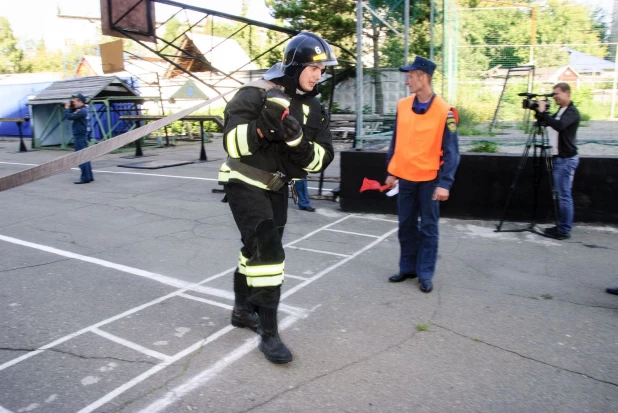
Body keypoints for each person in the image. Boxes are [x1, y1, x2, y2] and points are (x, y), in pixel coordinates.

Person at [222, 32, 336, 364]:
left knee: (253, 252)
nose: (319, 75)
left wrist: (298, 141)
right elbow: (233, 145)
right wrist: (261, 127)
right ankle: (268, 334)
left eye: (323, 69)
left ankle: (242, 311)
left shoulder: (315, 109)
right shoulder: (255, 93)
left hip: (278, 187)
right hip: (244, 181)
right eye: (314, 67)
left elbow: (321, 160)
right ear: (296, 64)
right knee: (269, 253)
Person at [384, 56, 460, 294]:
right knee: (405, 225)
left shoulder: (445, 111)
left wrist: (445, 183)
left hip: (430, 180)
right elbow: (396, 140)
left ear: (423, 78)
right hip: (406, 177)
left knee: (428, 228)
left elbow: (452, 152)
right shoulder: (403, 105)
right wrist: (391, 171)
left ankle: (425, 273)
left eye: (410, 76)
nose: (407, 81)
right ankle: (408, 268)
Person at [537, 83, 580, 240]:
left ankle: (564, 230)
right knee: (561, 194)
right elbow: (549, 123)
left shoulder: (572, 112)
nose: (554, 97)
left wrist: (544, 112)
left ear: (567, 93)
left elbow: (560, 126)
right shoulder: (561, 111)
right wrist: (541, 114)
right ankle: (561, 226)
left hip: (566, 160)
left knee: (564, 196)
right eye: (553, 94)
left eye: (557, 94)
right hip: (559, 158)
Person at [64, 93, 93, 184]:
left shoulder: (82, 111)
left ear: (80, 101)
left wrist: (67, 108)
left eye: (75, 101)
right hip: (81, 136)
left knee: (80, 157)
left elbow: (70, 117)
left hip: (80, 137)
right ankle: (88, 176)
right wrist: (71, 107)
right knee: (85, 156)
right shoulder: (82, 110)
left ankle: (85, 177)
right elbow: (73, 113)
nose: (74, 103)